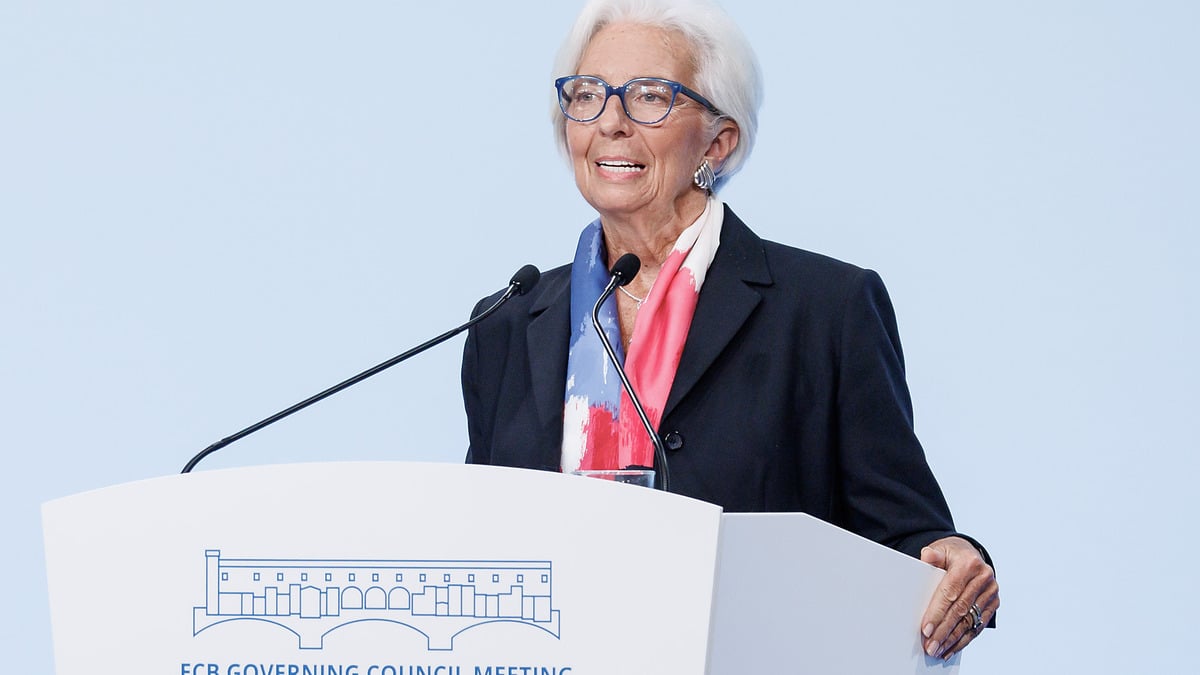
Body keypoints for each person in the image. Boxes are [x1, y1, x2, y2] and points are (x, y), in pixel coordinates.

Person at [461, 0, 998, 660]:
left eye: (650, 96)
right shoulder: (508, 324)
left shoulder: (827, 310)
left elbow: (911, 539)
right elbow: (479, 547)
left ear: (719, 141)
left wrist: (957, 562)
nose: (611, 123)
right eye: (588, 95)